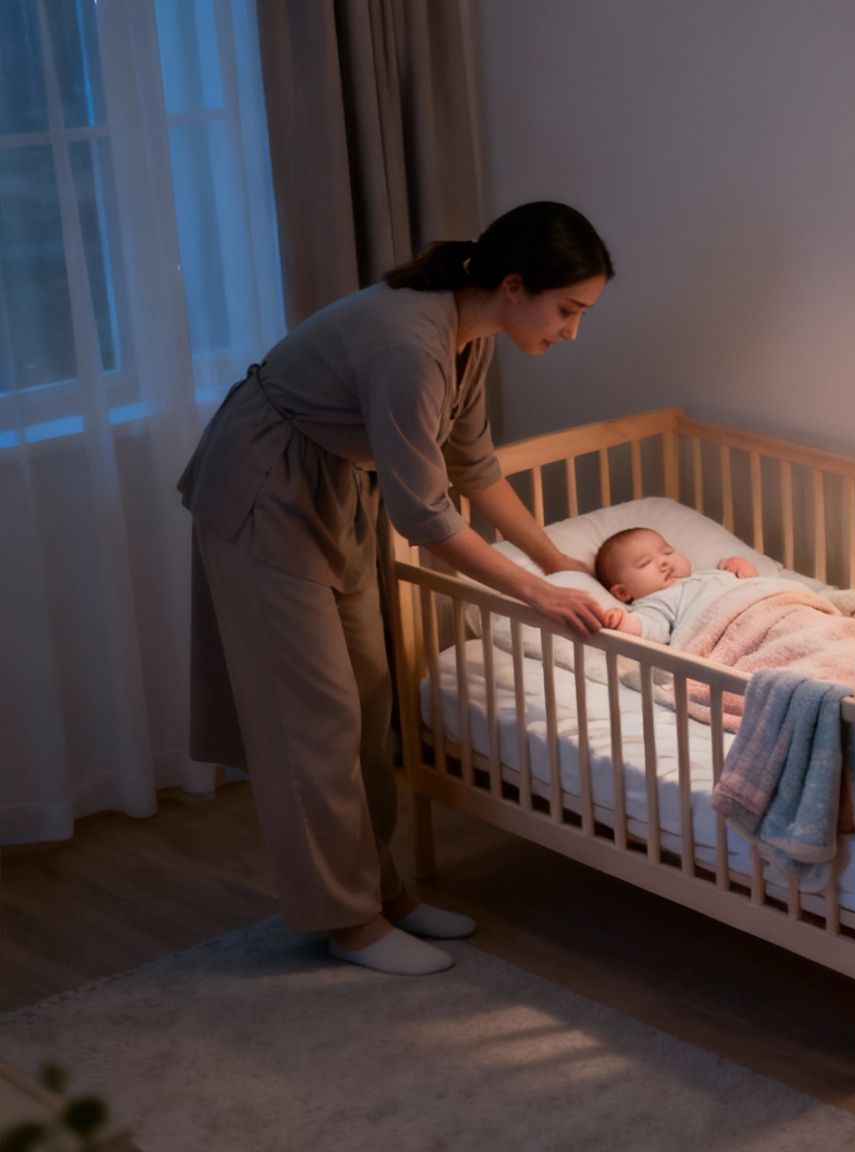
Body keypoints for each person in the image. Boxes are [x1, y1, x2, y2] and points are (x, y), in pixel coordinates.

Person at [179, 201, 615, 977]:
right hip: (267, 485)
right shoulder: (410, 345)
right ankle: (346, 919)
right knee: (312, 713)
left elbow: (472, 467)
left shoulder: (469, 337)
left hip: (331, 484)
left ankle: (382, 891)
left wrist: (557, 560)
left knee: (371, 691)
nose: (572, 331)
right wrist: (534, 593)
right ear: (514, 285)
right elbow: (425, 515)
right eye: (567, 311)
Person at [591, 526, 758, 644]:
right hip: (736, 626)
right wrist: (624, 622)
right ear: (622, 592)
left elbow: (751, 583)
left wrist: (739, 566)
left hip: (765, 603)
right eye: (645, 563)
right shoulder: (656, 602)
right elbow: (652, 629)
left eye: (667, 552)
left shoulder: (704, 574)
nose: (663, 561)